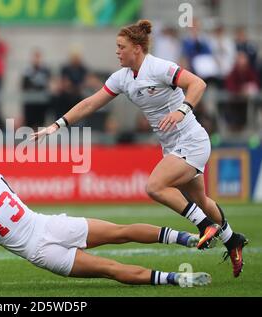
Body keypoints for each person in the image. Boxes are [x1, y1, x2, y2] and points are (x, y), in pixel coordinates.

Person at [32, 20, 248, 278]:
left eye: (121, 46)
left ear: (136, 48)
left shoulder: (159, 67)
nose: (117, 51)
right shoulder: (122, 78)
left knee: (154, 187)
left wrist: (182, 110)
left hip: (192, 140)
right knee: (201, 200)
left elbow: (198, 84)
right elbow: (90, 103)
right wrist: (56, 126)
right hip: (171, 147)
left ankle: (204, 226)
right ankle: (232, 239)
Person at [0, 161, 211, 288]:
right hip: (51, 226)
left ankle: (177, 279)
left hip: (39, 251)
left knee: (110, 269)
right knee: (120, 232)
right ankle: (183, 237)